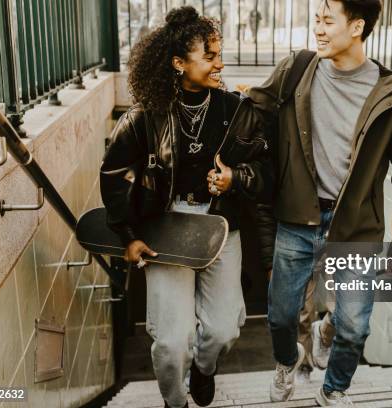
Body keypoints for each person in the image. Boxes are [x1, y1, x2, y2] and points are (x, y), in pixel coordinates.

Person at [249, 0, 392, 404]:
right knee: (281, 315)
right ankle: (286, 362)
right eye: (317, 20)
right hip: (297, 217)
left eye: (328, 21)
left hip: (357, 228)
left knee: (354, 327)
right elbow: (252, 107)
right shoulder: (298, 70)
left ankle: (334, 388)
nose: (319, 30)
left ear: (357, 26)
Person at [99, 7, 271, 408]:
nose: (220, 63)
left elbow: (265, 170)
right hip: (165, 229)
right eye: (209, 55)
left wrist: (235, 178)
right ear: (179, 63)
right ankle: (174, 402)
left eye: (219, 53)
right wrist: (128, 236)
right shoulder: (147, 115)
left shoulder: (235, 109)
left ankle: (205, 369)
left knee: (224, 330)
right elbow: (114, 173)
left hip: (221, 227)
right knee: (173, 342)